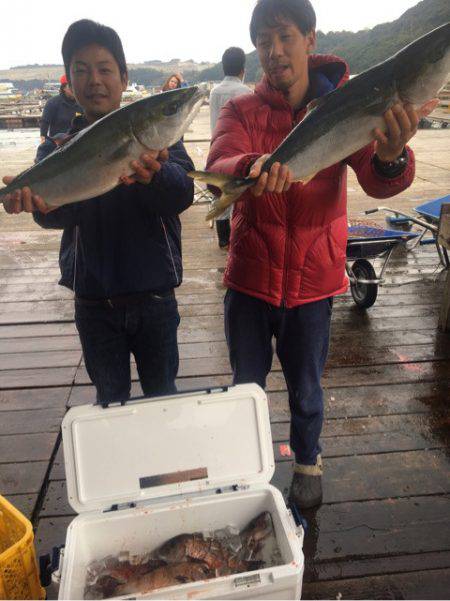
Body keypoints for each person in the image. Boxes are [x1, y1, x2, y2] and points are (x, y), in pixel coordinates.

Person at [206, 0, 436, 509]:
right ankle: (246, 474)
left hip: (313, 283)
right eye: (263, 40)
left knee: (307, 390)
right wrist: (252, 164)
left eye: (285, 36)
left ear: (311, 39)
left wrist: (393, 153)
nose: (274, 50)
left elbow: (379, 182)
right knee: (245, 389)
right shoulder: (240, 109)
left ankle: (307, 464)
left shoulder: (348, 102)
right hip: (248, 279)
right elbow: (220, 158)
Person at [2, 19, 195, 404]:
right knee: (109, 400)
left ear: (123, 78)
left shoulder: (159, 141)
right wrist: (35, 205)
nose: (94, 80)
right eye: (82, 71)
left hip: (154, 297)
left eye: (105, 69)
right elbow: (56, 216)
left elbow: (183, 193)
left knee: (164, 400)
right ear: (70, 84)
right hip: (94, 302)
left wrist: (154, 178)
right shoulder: (56, 148)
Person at [209, 47, 251, 249]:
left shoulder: (214, 92)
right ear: (243, 69)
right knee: (239, 196)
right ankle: (236, 237)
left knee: (219, 194)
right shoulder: (246, 92)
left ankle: (223, 238)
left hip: (216, 149)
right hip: (240, 152)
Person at [39, 74, 82, 143]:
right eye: (71, 86)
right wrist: (43, 138)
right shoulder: (52, 103)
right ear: (64, 88)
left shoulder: (81, 103)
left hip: (77, 141)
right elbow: (45, 122)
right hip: (58, 143)